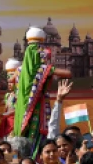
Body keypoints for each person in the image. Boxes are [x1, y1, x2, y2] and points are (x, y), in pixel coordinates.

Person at [13, 27, 72, 156]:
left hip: (22, 113)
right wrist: (50, 69)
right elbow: (68, 73)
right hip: (38, 112)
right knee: (37, 144)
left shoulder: (19, 71)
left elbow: (10, 80)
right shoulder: (43, 69)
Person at [0, 58, 21, 141]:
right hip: (6, 123)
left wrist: (4, 115)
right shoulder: (9, 95)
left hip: (16, 123)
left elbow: (19, 109)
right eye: (8, 80)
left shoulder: (21, 95)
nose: (9, 83)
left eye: (12, 81)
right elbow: (0, 103)